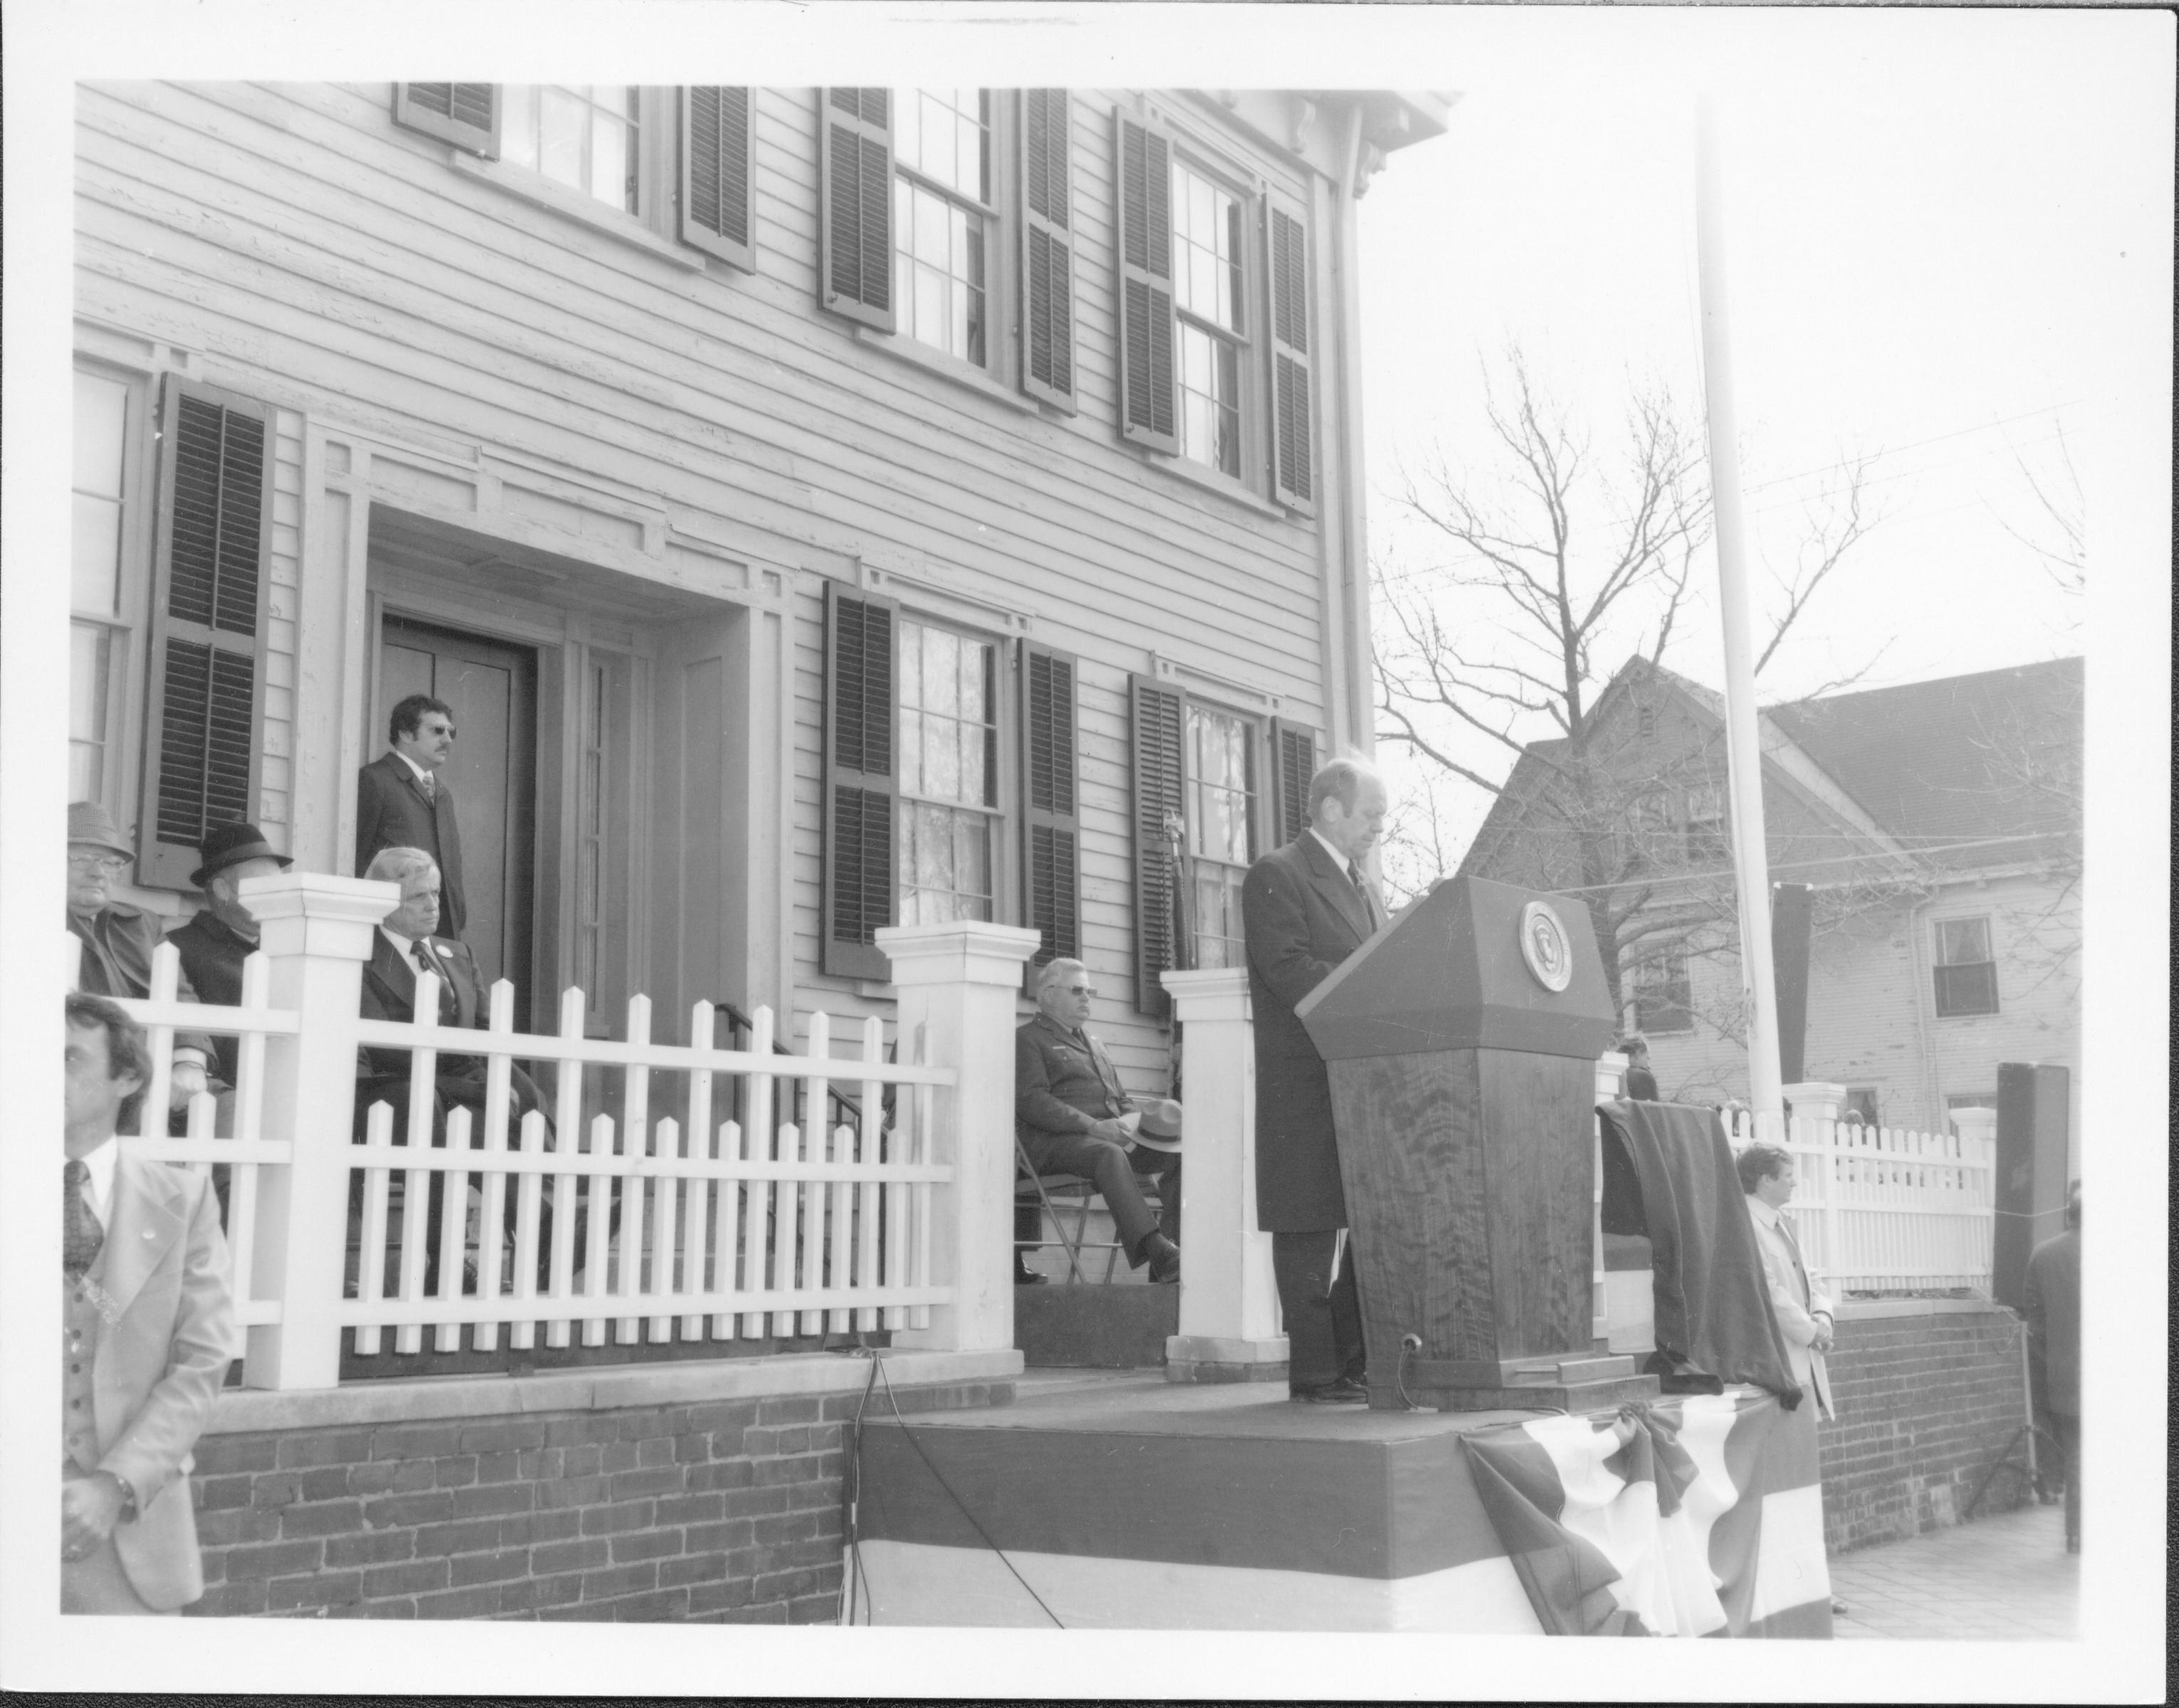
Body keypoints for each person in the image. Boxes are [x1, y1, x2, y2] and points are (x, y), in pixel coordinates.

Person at [61, 993, 236, 1614]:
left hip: (127, 1529)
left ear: (126, 1077)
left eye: (68, 1059)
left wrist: (113, 1486)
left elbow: (202, 1361)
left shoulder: (181, 1200)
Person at [1241, 757, 1389, 1404]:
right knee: (1307, 1227)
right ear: (1331, 808)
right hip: (1303, 1078)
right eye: (1371, 815)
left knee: (1370, 1219)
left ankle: (1352, 1359)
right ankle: (1314, 1369)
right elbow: (1288, 966)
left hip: (1359, 1076)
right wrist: (1362, 1009)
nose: (1378, 829)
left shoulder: (1366, 887)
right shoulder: (1279, 874)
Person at [356, 848, 550, 1292]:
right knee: (447, 1109)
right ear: (385, 901)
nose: (433, 906)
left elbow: (482, 1033)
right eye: (417, 897)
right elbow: (383, 1047)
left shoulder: (455, 952)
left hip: (458, 1089)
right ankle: (512, 1235)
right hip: (395, 1087)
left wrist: (498, 1082)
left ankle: (533, 1229)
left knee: (500, 1104)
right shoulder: (362, 954)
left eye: (436, 894)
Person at [1014, 959, 1181, 1282]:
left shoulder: (1095, 1043)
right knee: (1109, 1153)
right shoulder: (1028, 1039)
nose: (1086, 998)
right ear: (1048, 995)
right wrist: (1092, 1126)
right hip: (1053, 1145)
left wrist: (1137, 1126)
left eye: (1089, 991)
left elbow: (1119, 1098)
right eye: (1077, 990)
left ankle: (1171, 1257)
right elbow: (1032, 1102)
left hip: (1105, 1139)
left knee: (1177, 1156)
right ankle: (1156, 1248)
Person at [65, 801, 215, 1119]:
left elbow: (181, 993)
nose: (98, 873)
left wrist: (188, 1059)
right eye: (81, 859)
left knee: (232, 1109)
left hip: (162, 1072)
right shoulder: (22, 922)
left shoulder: (141, 922)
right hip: (89, 1080)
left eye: (110, 862)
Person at [166, 821, 293, 1091]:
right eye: (263, 887)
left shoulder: (289, 950)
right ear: (223, 890)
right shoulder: (180, 948)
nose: (278, 898)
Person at [355, 693, 467, 942]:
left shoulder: (443, 794)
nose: (447, 740)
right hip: (390, 931)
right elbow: (358, 858)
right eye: (437, 730)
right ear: (406, 733)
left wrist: (457, 917)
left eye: (452, 732)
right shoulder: (375, 781)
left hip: (441, 931)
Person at [1738, 1142, 1834, 1418]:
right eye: (1788, 1175)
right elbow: (1767, 1291)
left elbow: (1811, 1278)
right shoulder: (1747, 1224)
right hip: (1776, 1362)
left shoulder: (1782, 1221)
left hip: (1803, 1353)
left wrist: (1823, 1318)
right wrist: (1811, 1331)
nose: (1794, 1183)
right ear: (1766, 1180)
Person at [2024, 1181, 2081, 1553]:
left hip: (2065, 1377)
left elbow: (2035, 1321)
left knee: (2076, 1452)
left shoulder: (2043, 1255)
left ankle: (2075, 1532)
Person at [1620, 1034, 1659, 1101]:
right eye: (1647, 1058)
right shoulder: (1643, 1076)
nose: (1649, 1066)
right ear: (1638, 1054)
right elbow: (1653, 1110)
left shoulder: (1614, 1074)